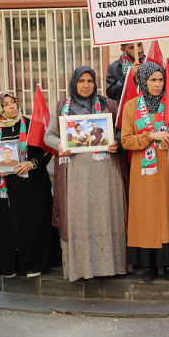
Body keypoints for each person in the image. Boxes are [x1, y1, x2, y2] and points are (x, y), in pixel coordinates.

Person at [44, 66, 128, 281]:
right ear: (74, 83)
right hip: (77, 174)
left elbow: (121, 131)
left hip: (106, 171)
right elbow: (49, 136)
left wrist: (116, 142)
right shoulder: (62, 107)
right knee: (80, 219)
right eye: (81, 81)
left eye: (90, 80)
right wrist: (61, 143)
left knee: (107, 217)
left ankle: (110, 267)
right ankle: (83, 269)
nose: (86, 85)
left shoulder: (108, 104)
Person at [121, 62, 169, 282]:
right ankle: (149, 265)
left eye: (160, 79)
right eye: (152, 80)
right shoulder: (130, 107)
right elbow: (125, 141)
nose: (157, 84)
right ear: (142, 81)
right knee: (146, 216)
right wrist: (150, 137)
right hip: (144, 174)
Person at [0, 92, 59, 278]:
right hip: (5, 188)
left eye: (13, 102)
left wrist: (31, 164)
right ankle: (9, 265)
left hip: (32, 185)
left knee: (32, 223)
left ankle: (35, 264)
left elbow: (46, 151)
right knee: (6, 226)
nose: (12, 106)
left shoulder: (30, 125)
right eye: (6, 104)